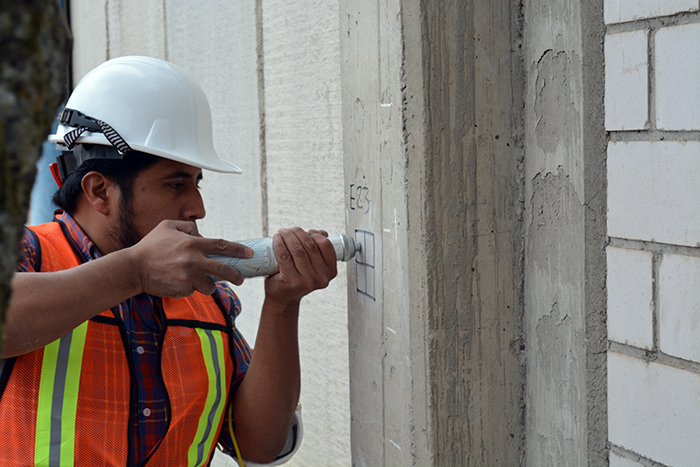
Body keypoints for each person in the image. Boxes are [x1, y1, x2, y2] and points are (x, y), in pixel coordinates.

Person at [0, 56, 337, 466]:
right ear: (99, 190)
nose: (197, 207)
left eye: (196, 183)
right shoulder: (28, 255)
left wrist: (282, 305)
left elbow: (259, 445)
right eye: (176, 183)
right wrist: (135, 272)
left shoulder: (207, 298)